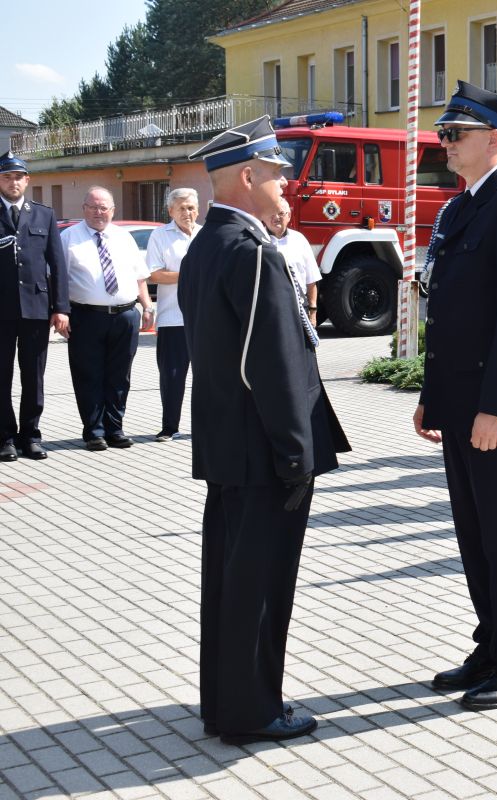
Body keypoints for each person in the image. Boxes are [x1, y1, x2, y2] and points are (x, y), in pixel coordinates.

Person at [180, 116, 350, 743]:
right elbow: (270, 367)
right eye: (277, 175)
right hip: (264, 451)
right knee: (260, 585)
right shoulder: (251, 253)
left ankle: (225, 702)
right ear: (248, 177)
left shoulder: (207, 245)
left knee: (230, 580)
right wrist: (296, 452)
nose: (286, 186)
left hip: (230, 445)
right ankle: (253, 711)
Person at [413, 81, 497, 710]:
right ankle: (491, 644)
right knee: (474, 534)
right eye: (444, 133)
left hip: (495, 407)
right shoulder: (461, 207)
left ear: (494, 139)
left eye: (455, 134)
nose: (444, 143)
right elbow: (446, 311)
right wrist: (431, 395)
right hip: (460, 401)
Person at [60, 187, 154, 450]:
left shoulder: (124, 237)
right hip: (86, 316)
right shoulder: (69, 238)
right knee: (88, 376)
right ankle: (94, 431)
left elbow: (139, 277)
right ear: (84, 209)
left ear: (113, 210)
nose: (98, 212)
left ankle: (115, 428)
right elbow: (56, 279)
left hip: (125, 315)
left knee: (119, 376)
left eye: (104, 208)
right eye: (93, 207)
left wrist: (147, 306)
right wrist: (60, 312)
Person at [0, 152, 69, 461]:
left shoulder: (44, 214)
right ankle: (4, 437)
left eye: (18, 177)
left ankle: (30, 436)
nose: (13, 182)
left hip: (36, 309)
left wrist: (61, 308)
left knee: (34, 377)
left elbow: (57, 264)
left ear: (27, 180)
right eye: (6, 177)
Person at [145, 187, 201, 442]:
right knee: (172, 376)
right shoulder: (160, 235)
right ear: (170, 211)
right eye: (181, 208)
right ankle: (169, 427)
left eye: (191, 207)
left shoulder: (206, 234)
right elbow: (154, 274)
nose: (187, 213)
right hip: (172, 319)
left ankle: (205, 426)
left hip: (205, 320)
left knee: (207, 377)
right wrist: (189, 274)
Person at [265, 200, 321, 328]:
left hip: (298, 308)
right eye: (271, 213)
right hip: (268, 310)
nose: (276, 217)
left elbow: (311, 280)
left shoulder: (299, 240)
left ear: (289, 216)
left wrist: (313, 312)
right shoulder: (257, 240)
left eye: (281, 213)